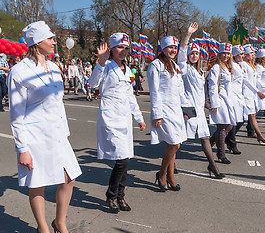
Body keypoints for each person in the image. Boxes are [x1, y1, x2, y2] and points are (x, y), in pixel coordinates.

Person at [7, 21, 82, 233]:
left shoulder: (55, 68)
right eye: (49, 38)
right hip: (35, 137)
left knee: (69, 176)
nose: (53, 42)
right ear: (37, 42)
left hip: (57, 134)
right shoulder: (19, 72)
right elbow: (16, 114)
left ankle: (60, 222)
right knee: (37, 182)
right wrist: (23, 149)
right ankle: (43, 227)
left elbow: (58, 104)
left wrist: (64, 132)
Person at [88, 33, 146, 212]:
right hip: (110, 118)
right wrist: (100, 62)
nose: (123, 51)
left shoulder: (127, 70)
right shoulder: (104, 66)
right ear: (111, 49)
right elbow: (92, 84)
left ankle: (120, 196)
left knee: (126, 158)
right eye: (120, 47)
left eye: (126, 48)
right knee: (122, 159)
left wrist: (139, 117)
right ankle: (112, 196)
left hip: (124, 118)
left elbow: (130, 96)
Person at [178, 22, 224, 178]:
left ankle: (213, 166)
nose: (194, 56)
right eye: (192, 53)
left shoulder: (200, 72)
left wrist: (208, 104)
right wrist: (188, 34)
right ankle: (170, 164)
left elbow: (202, 92)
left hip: (199, 110)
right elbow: (182, 53)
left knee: (205, 137)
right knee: (177, 140)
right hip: (188, 110)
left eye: (196, 54)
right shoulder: (184, 68)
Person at [147, 36, 187, 191]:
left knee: (176, 143)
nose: (173, 50)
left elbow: (180, 90)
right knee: (174, 143)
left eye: (175, 48)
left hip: (176, 110)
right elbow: (154, 91)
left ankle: (171, 177)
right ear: (163, 49)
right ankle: (162, 174)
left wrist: (186, 108)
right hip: (163, 111)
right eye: (170, 47)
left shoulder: (175, 65)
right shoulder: (155, 65)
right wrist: (157, 114)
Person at [225, 44, 257, 154]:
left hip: (240, 96)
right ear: (235, 55)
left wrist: (257, 91)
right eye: (241, 54)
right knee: (234, 121)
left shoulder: (240, 65)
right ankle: (232, 143)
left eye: (243, 54)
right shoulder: (231, 66)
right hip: (232, 95)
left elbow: (246, 80)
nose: (243, 56)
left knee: (242, 119)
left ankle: (226, 138)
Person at [207, 42, 236, 164]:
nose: (226, 55)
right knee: (222, 127)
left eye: (228, 53)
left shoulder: (227, 67)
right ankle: (221, 154)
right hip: (219, 100)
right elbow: (213, 86)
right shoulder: (216, 68)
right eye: (224, 53)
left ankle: (208, 144)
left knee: (228, 126)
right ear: (219, 54)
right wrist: (214, 103)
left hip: (227, 100)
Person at [241, 45, 265, 143]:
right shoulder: (243, 64)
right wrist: (257, 91)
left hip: (252, 93)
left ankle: (256, 134)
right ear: (245, 54)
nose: (253, 55)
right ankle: (259, 135)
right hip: (246, 93)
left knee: (250, 116)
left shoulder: (250, 65)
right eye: (251, 53)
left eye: (253, 53)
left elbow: (255, 80)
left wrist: (260, 90)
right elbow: (246, 81)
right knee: (250, 116)